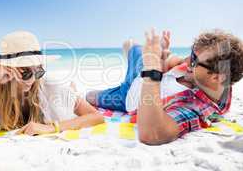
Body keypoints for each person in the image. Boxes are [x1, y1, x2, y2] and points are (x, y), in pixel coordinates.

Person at [86, 29, 243, 145]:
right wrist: (163, 56)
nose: (189, 60)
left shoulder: (197, 107)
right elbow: (176, 62)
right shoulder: (214, 76)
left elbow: (152, 133)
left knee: (89, 96)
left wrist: (153, 68)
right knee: (131, 45)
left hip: (129, 96)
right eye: (191, 53)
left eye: (195, 59)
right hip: (146, 74)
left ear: (216, 77)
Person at [0, 31, 104, 146]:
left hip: (63, 93)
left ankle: (73, 88)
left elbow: (97, 116)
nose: (32, 79)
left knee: (71, 92)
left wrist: (51, 128)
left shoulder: (52, 88)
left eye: (38, 72)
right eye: (25, 73)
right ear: (8, 70)